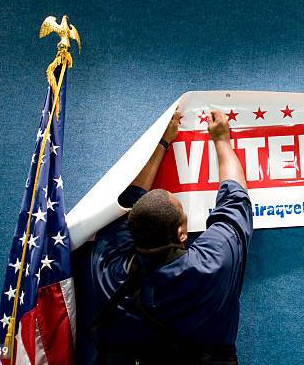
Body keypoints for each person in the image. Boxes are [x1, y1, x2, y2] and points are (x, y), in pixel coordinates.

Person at [89, 108, 252, 365]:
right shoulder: (213, 263)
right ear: (182, 233)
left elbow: (126, 202)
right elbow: (235, 198)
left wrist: (163, 142)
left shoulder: (108, 265)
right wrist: (222, 139)